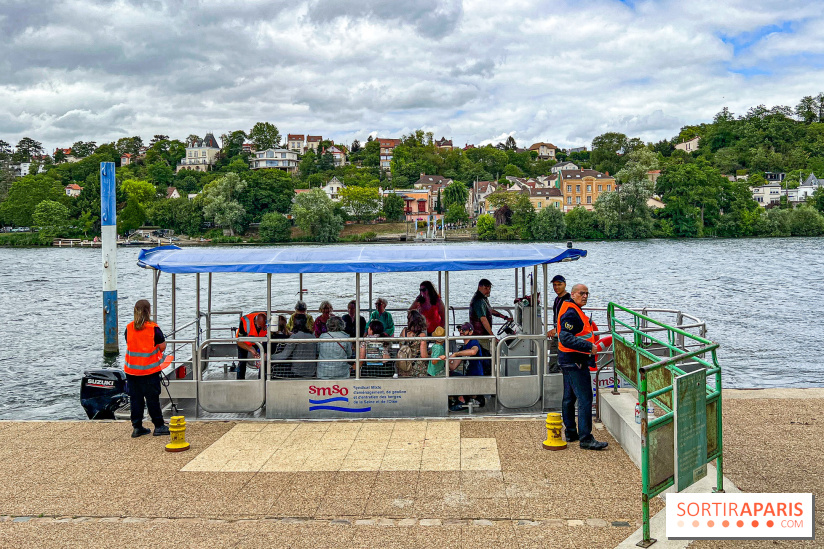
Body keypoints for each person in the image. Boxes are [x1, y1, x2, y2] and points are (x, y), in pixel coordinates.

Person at [558, 283, 608, 451]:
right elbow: (565, 337)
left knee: (569, 398)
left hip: (568, 360)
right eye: (581, 293)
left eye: (587, 293)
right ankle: (586, 438)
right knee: (585, 399)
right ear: (573, 294)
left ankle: (572, 433)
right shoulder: (571, 313)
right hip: (575, 362)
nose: (585, 296)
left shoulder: (571, 308)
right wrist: (588, 347)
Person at [123, 299, 169, 438]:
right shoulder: (153, 328)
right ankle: (159, 426)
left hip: (131, 371)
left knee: (135, 400)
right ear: (148, 311)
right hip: (149, 371)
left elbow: (130, 343)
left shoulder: (129, 327)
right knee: (152, 399)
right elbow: (162, 346)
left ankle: (137, 427)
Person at [469, 278, 512, 352]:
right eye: (486, 288)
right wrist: (492, 336)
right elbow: (483, 320)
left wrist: (504, 317)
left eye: (489, 289)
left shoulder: (483, 298)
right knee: (485, 354)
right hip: (480, 336)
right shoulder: (479, 301)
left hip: (482, 335)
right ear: (480, 287)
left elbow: (490, 310)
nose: (488, 291)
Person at [546, 275, 571, 374]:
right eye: (554, 285)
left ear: (565, 284)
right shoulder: (557, 299)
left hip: (564, 332)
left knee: (558, 355)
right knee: (554, 355)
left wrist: (557, 329)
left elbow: (569, 318)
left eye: (559, 284)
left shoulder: (568, 299)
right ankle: (554, 372)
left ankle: (556, 374)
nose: (556, 287)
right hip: (558, 332)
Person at [397, 308, 428, 377]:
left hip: (403, 366)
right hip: (416, 369)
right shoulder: (422, 335)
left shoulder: (404, 331)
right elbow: (424, 356)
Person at [236, 311, 267, 380]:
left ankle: (262, 380)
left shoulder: (269, 321)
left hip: (260, 341)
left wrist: (263, 351)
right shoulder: (244, 322)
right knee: (242, 363)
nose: (261, 328)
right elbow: (239, 341)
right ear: (255, 321)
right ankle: (240, 381)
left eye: (263, 327)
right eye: (259, 326)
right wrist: (251, 349)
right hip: (244, 342)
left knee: (264, 361)